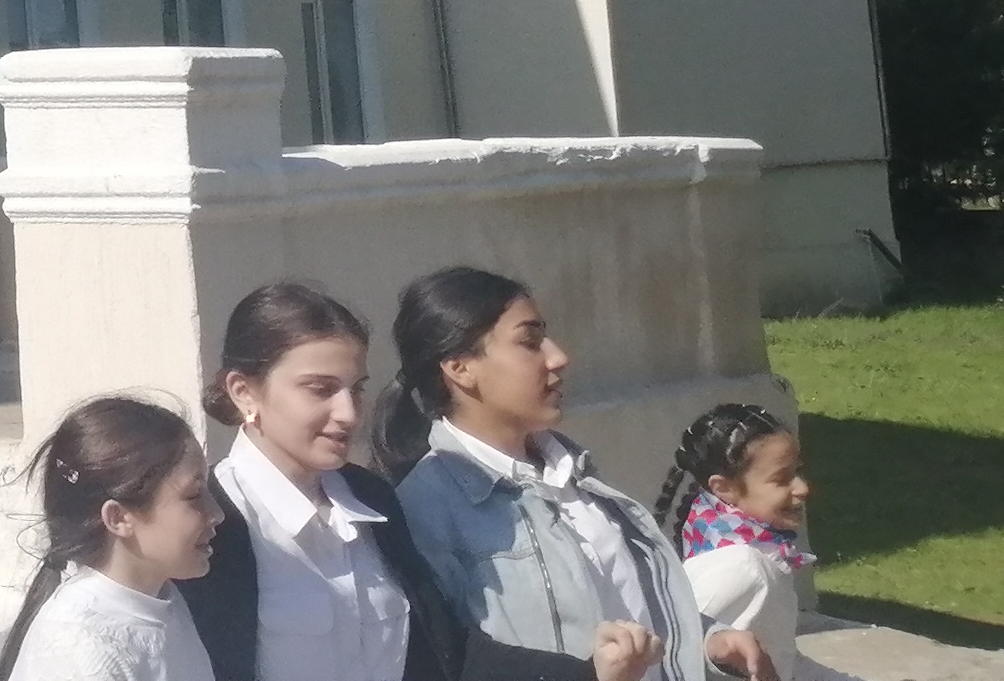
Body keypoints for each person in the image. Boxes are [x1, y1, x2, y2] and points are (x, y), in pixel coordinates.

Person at [183, 282, 588, 681]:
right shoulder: (212, 523)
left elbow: (448, 652)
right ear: (243, 392)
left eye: (356, 389)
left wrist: (591, 673)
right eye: (320, 389)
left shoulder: (370, 497)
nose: (348, 413)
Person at [382, 269, 765, 681]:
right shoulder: (425, 510)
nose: (558, 357)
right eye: (530, 342)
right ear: (460, 368)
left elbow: (625, 604)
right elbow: (454, 662)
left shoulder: (572, 471)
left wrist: (707, 641)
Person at [0, 396, 223, 681]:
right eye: (193, 495)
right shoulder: (80, 647)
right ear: (119, 518)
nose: (217, 514)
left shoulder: (162, 599)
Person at [658, 405, 837, 681]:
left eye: (798, 472)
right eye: (782, 479)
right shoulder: (742, 567)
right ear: (724, 488)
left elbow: (782, 656)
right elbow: (669, 649)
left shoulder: (755, 550)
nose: (802, 488)